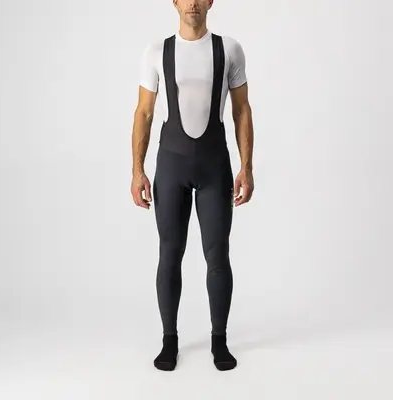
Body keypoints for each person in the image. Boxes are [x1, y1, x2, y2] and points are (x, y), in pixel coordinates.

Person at [131, 0, 254, 371]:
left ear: (211, 1)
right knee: (170, 253)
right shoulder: (157, 51)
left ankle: (220, 340)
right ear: (175, 2)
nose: (193, 4)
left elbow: (242, 110)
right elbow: (144, 112)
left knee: (217, 254)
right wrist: (137, 171)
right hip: (172, 165)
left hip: (215, 166)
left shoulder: (229, 49)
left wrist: (246, 168)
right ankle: (169, 340)